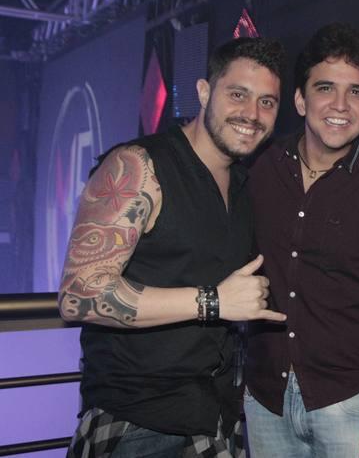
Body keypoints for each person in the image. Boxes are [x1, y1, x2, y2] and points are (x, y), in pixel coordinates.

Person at [58, 37, 287, 457]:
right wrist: (214, 301)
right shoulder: (139, 165)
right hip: (138, 421)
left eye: (267, 102)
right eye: (238, 94)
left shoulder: (242, 184)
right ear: (203, 92)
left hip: (215, 418)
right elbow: (80, 295)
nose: (252, 114)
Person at [244, 22, 359, 458]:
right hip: (266, 398)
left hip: (354, 403)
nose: (341, 105)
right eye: (325, 88)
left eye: (357, 92)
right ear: (300, 99)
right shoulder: (263, 169)